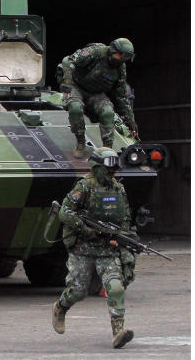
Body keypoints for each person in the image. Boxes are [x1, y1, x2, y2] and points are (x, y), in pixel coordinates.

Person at [51, 147, 138, 348]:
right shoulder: (84, 187)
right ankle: (60, 308)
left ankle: (118, 332)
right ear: (97, 166)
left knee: (115, 287)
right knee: (78, 291)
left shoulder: (118, 189)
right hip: (83, 249)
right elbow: (65, 212)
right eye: (108, 167)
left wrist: (124, 243)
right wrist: (85, 228)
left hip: (107, 250)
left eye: (115, 167)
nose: (112, 171)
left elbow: (125, 220)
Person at [57, 39, 138, 158]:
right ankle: (80, 142)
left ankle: (107, 149)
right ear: (113, 50)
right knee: (75, 108)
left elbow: (121, 96)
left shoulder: (120, 68)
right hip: (76, 86)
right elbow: (70, 60)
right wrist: (67, 81)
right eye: (122, 56)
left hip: (95, 93)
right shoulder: (97, 52)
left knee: (108, 112)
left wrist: (131, 121)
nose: (123, 60)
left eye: (126, 58)